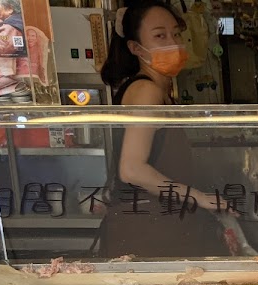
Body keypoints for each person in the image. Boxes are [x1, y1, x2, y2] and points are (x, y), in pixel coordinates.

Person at [97, 0, 231, 258]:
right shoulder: (146, 91)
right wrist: (200, 198)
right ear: (135, 48)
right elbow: (131, 169)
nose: (173, 43)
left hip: (164, 224)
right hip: (145, 230)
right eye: (160, 36)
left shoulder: (161, 93)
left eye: (176, 34)